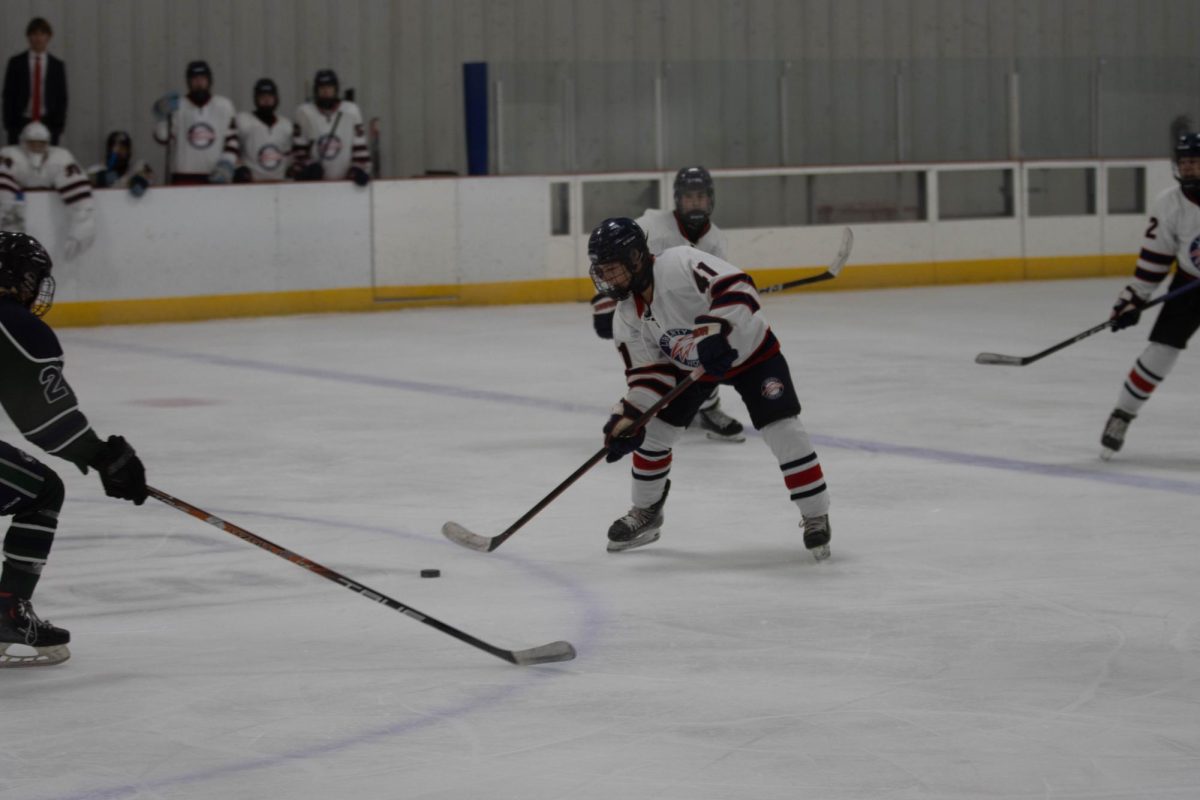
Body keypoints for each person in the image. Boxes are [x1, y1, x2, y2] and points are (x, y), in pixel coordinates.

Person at [588, 217, 832, 560]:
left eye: (613, 269)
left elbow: (739, 285)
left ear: (636, 258)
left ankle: (815, 514)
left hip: (751, 353)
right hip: (692, 369)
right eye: (603, 271)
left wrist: (715, 328)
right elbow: (649, 375)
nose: (608, 279)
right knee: (653, 431)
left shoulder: (679, 263)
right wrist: (628, 417)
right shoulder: (626, 316)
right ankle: (646, 513)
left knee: (783, 428)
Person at [0, 232, 148, 667]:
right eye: (31, 278)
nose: (34, 288)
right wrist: (104, 458)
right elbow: (45, 420)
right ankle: (7, 611)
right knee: (41, 491)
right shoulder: (13, 323)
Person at [590, 166, 746, 442]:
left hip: (681, 305)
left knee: (709, 345)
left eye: (700, 196)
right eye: (689, 197)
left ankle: (707, 408)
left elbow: (716, 282)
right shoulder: (653, 226)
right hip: (642, 303)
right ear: (677, 199)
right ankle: (643, 403)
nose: (695, 202)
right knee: (651, 358)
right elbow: (609, 255)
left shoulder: (716, 239)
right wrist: (604, 302)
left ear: (710, 199)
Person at [1100, 132, 1200, 460]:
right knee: (1162, 350)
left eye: (1194, 162)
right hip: (1189, 284)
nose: (1188, 169)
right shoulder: (1169, 203)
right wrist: (1133, 299)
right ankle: (1122, 415)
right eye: (1184, 162)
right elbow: (1154, 260)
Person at [0, 122, 95, 260]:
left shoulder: (60, 158)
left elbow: (81, 199)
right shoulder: (11, 156)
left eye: (41, 143)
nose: (37, 148)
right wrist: (10, 226)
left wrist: (83, 224)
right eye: (32, 143)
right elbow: (4, 194)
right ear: (23, 143)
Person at [152, 60, 239, 185]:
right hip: (183, 177)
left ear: (209, 80)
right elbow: (163, 138)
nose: (199, 83)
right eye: (195, 79)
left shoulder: (224, 105)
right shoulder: (178, 106)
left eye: (202, 78)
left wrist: (227, 163)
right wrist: (162, 118)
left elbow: (232, 140)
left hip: (215, 177)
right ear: (188, 82)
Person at [293, 69, 370, 185]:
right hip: (315, 186)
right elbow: (299, 151)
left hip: (345, 185)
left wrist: (357, 169)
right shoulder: (304, 112)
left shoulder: (351, 111)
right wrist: (308, 168)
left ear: (336, 89)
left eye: (329, 87)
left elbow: (360, 146)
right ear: (316, 90)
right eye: (322, 88)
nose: (325, 91)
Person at [2, 18, 67, 146]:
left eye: (42, 34)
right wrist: (9, 124)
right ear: (28, 37)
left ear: (48, 37)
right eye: (34, 34)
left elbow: (62, 97)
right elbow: (8, 95)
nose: (38, 38)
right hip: (21, 122)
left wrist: (58, 126)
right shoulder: (16, 63)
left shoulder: (57, 65)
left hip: (48, 122)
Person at [233, 78, 297, 182]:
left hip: (280, 186)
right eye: (262, 97)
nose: (266, 100)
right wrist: (239, 168)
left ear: (276, 98)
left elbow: (290, 157)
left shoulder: (286, 125)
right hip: (252, 186)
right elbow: (232, 151)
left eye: (270, 96)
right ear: (256, 99)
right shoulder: (243, 121)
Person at [87, 130, 153, 196]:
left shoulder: (137, 168)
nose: (118, 151)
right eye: (115, 147)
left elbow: (143, 183)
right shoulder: (95, 169)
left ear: (129, 151)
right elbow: (83, 184)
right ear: (108, 149)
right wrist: (101, 178)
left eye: (123, 148)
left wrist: (137, 181)